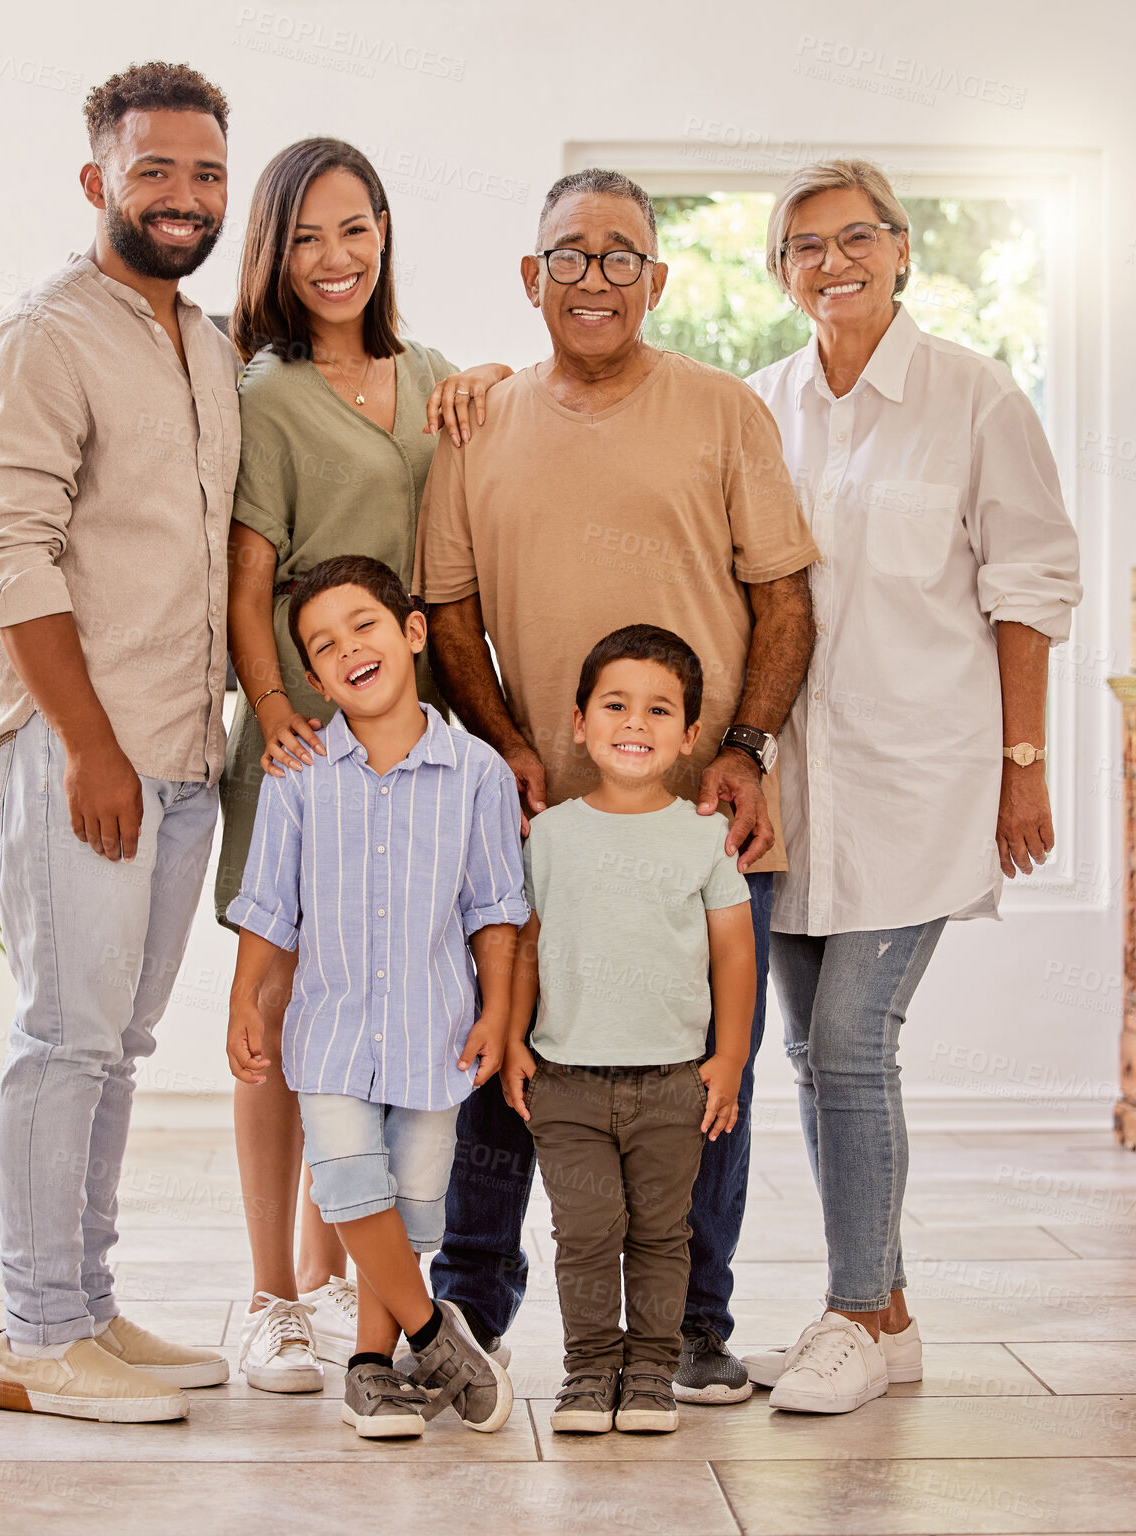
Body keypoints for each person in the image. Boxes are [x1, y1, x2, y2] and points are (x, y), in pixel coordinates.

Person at [413, 167, 818, 1404]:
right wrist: (511, 746)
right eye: (570, 256)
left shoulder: (724, 410)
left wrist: (746, 747)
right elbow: (448, 607)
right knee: (506, 1058)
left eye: (622, 255)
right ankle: (470, 1312)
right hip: (535, 823)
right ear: (532, 279)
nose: (596, 277)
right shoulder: (476, 423)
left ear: (659, 277)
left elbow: (783, 597)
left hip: (701, 814)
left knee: (706, 1082)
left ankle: (693, 1327)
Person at [737, 159, 1082, 1414]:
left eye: (857, 238)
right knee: (809, 1050)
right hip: (792, 793)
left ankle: (850, 1312)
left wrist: (1025, 768)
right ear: (780, 272)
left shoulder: (975, 397)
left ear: (900, 252)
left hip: (923, 777)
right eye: (806, 246)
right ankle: (881, 1312)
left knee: (851, 1042)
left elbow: (1031, 587)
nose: (834, 262)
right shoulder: (756, 406)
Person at [0, 63, 238, 1422]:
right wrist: (89, 746)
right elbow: (11, 554)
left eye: (204, 175)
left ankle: (86, 1307)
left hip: (182, 754)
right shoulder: (42, 335)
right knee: (63, 1036)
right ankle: (34, 1335)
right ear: (97, 183)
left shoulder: (209, 343)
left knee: (114, 1045)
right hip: (79, 753)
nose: (183, 198)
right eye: (154, 171)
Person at [213, 138, 513, 1389]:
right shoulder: (266, 397)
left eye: (354, 230)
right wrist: (280, 710)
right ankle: (274, 1294)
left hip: (427, 737)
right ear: (275, 254)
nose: (332, 259)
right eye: (304, 238)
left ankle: (354, 1287)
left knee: (405, 1011)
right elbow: (246, 579)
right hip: (305, 736)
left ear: (385, 231)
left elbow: (498, 450)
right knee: (285, 1017)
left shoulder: (437, 375)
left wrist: (495, 375)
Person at [225, 555, 529, 1439]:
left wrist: (500, 1013)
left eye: (364, 625)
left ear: (412, 633)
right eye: (323, 646)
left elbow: (497, 910)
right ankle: (436, 1334)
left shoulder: (476, 773)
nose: (348, 648)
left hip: (436, 1037)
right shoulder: (299, 776)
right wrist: (247, 997)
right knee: (351, 1184)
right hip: (329, 1036)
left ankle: (370, 1364)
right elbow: (269, 905)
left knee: (409, 1207)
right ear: (312, 678)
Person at [502, 625, 757, 1435]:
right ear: (580, 721)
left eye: (658, 710)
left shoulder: (703, 837)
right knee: (582, 1236)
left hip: (673, 1083)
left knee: (658, 1235)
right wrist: (512, 1040)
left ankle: (649, 1374)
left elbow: (734, 959)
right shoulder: (550, 835)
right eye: (615, 705)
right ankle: (588, 1373)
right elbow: (526, 946)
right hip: (566, 1081)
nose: (634, 723)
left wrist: (728, 1058)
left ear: (688, 737)